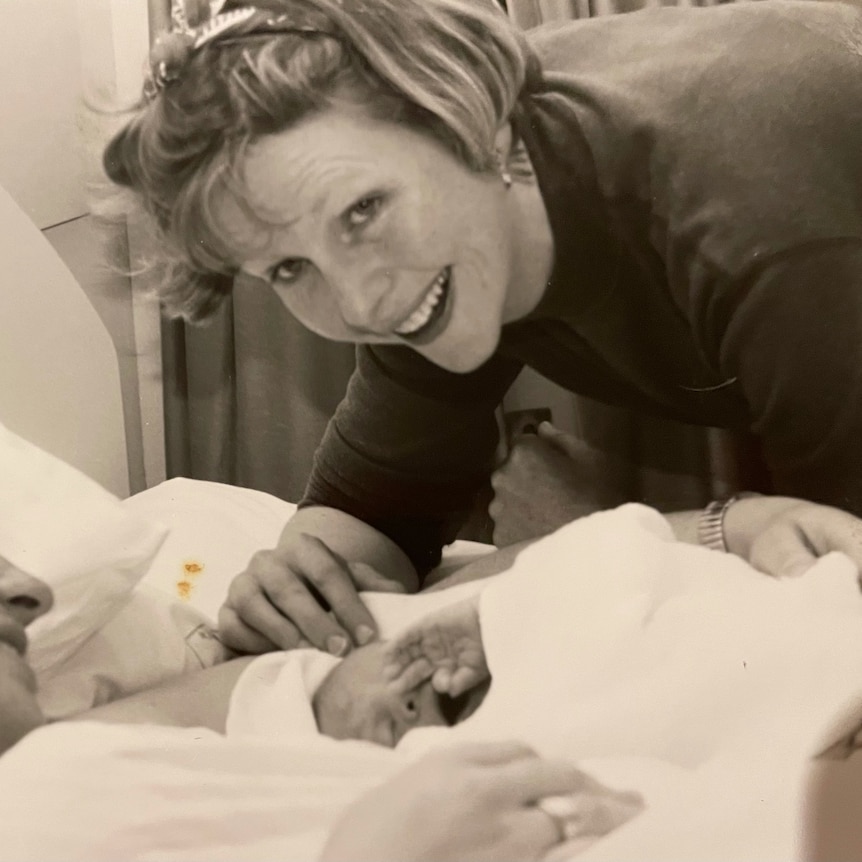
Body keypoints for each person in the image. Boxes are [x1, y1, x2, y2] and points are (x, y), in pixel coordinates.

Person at [103, 0, 862, 659]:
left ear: (474, 124)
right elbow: (379, 514)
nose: (361, 304)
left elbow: (838, 571)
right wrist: (303, 587)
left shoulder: (753, 223)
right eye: (290, 269)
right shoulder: (441, 251)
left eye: (363, 212)